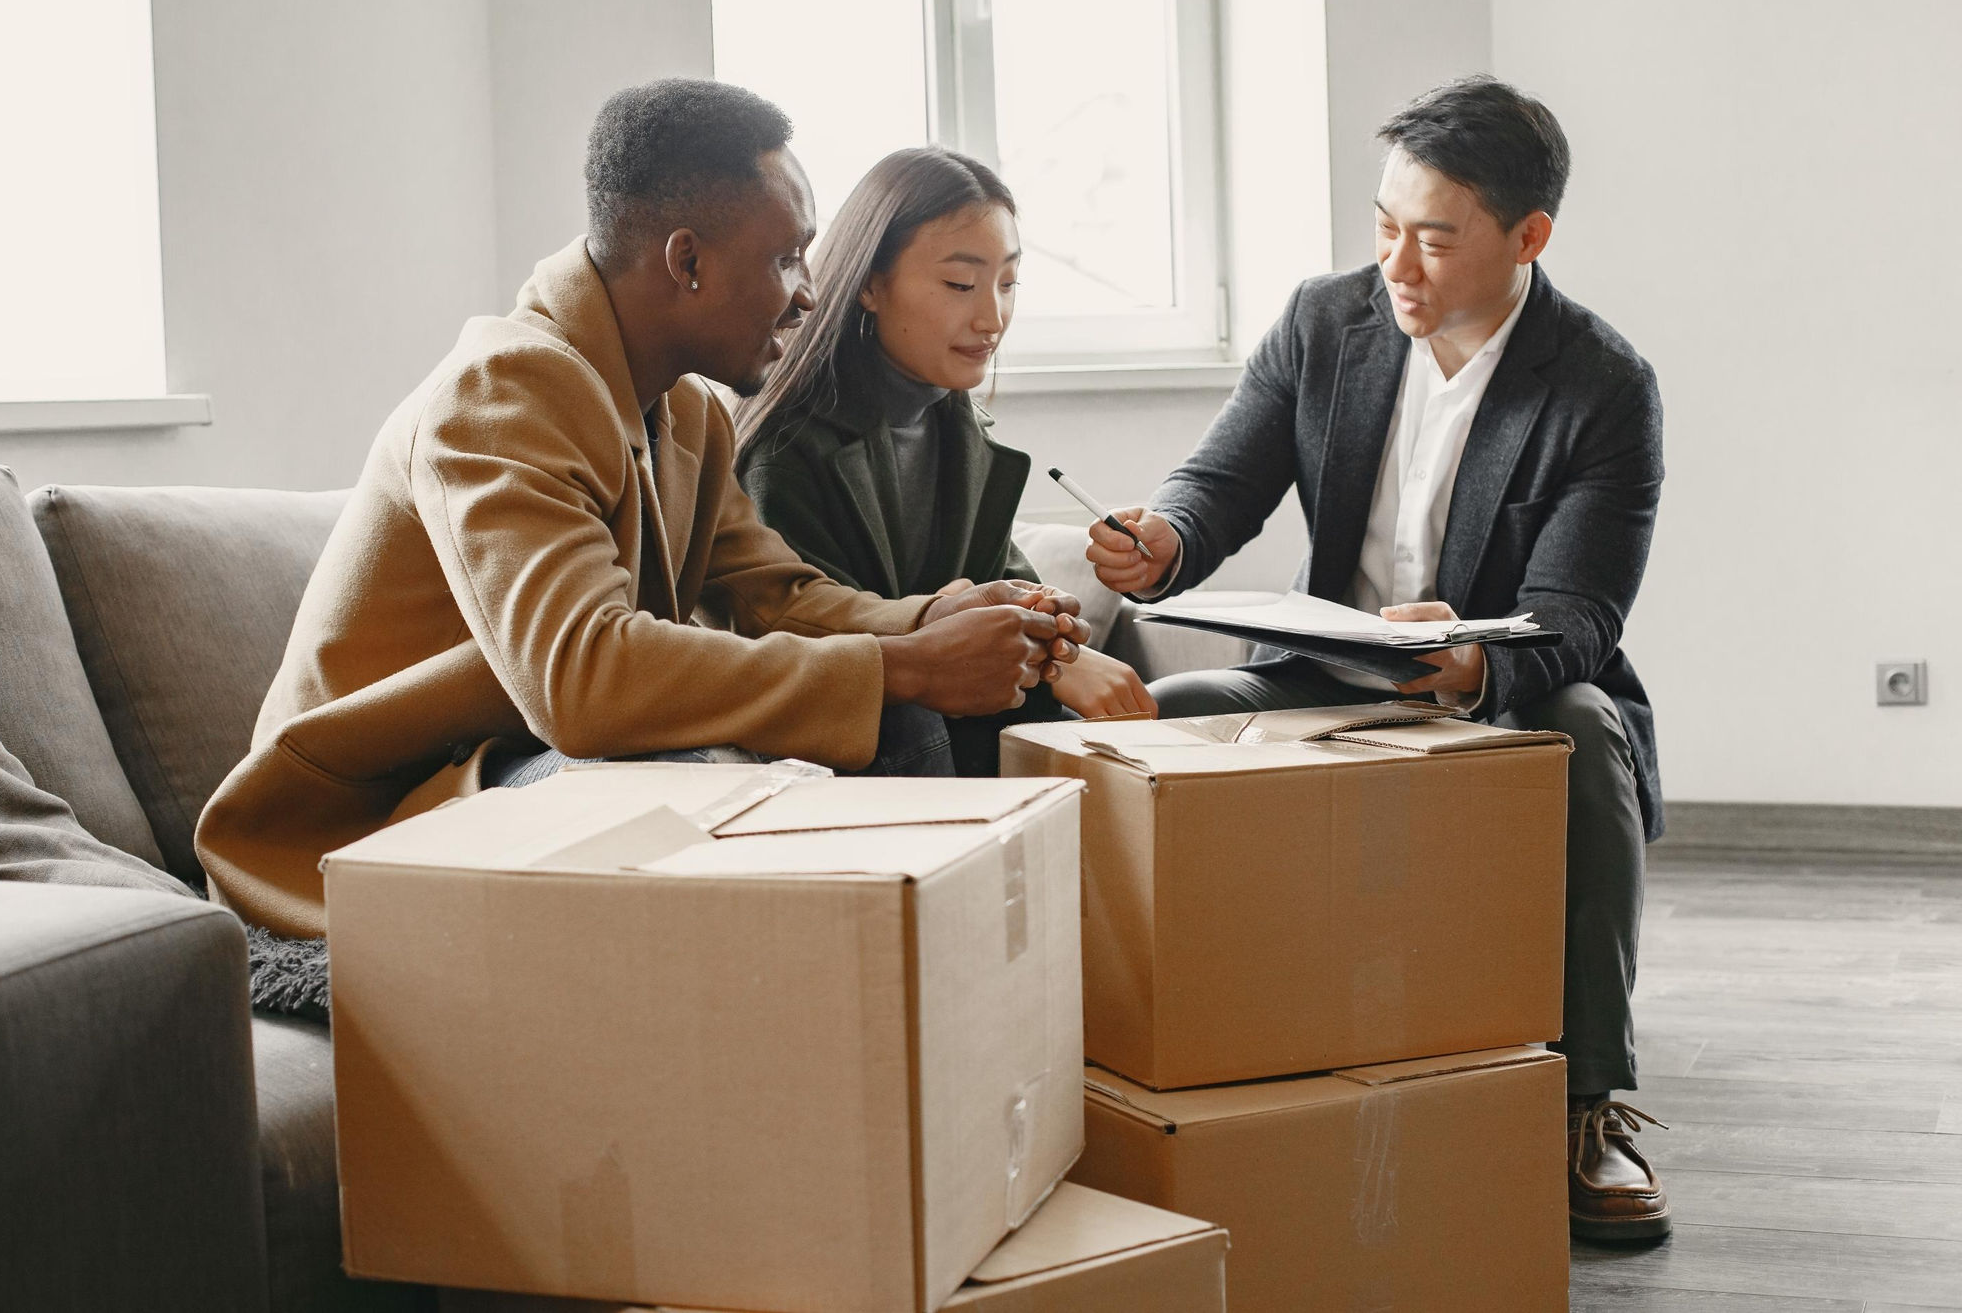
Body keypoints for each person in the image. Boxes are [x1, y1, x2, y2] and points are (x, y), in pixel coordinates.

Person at [197, 79, 1091, 942]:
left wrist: (934, 617)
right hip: (368, 816)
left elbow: (775, 594)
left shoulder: (687, 410)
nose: (809, 295)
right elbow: (580, 681)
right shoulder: (502, 391)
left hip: (512, 765)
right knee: (689, 779)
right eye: (785, 260)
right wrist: (903, 666)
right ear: (688, 261)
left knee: (849, 736)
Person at [1085, 76, 1669, 1243]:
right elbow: (1220, 483)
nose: (1397, 264)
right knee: (1176, 707)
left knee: (1585, 728)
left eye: (1434, 239)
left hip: (1503, 683)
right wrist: (1163, 538)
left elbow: (1577, 614)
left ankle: (1584, 1100)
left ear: (1526, 237)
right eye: (1383, 225)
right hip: (1326, 668)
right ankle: (1163, 1068)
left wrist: (1463, 664)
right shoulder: (1325, 321)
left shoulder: (1601, 384)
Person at [732, 146, 1153, 775]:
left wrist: (1056, 649)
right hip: (847, 743)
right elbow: (816, 648)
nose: (992, 317)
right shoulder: (788, 452)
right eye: (960, 284)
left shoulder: (963, 436)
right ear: (871, 283)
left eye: (1008, 283)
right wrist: (1057, 664)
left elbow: (1014, 595)